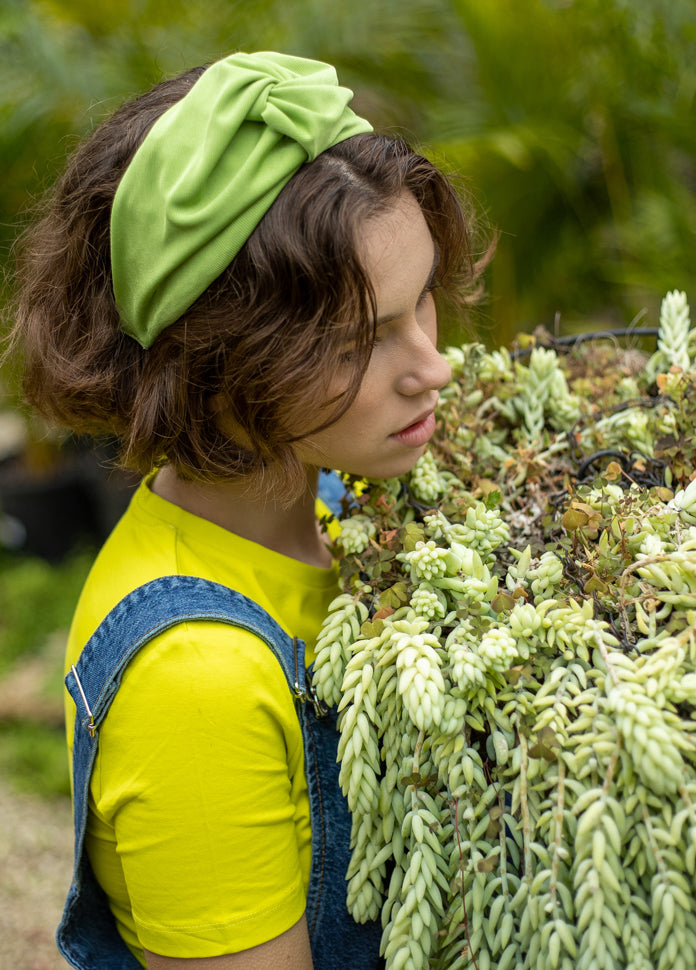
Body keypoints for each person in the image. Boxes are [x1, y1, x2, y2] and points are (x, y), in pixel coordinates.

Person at [8, 51, 488, 970]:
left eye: (421, 296)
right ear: (223, 360)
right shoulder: (196, 680)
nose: (435, 364)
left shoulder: (337, 497)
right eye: (363, 341)